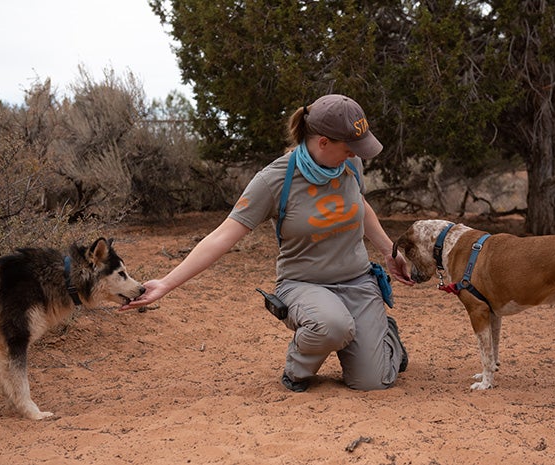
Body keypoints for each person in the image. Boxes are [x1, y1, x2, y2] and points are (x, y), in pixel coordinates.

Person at [122, 94, 415, 392]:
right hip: (304, 284)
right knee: (332, 325)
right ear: (323, 142)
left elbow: (359, 205)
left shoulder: (351, 166)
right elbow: (222, 236)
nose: (355, 155)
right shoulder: (274, 180)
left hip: (357, 281)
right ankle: (297, 370)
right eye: (349, 148)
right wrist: (167, 283)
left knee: (373, 382)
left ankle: (382, 334)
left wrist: (389, 251)